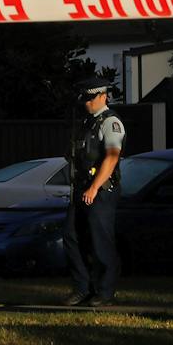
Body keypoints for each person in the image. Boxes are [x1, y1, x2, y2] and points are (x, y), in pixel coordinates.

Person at [63, 77, 124, 306]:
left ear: (103, 96)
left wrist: (94, 187)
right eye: (84, 99)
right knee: (71, 236)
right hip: (82, 189)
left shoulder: (110, 122)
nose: (86, 103)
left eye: (91, 98)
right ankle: (83, 288)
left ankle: (105, 292)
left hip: (101, 191)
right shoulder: (87, 123)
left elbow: (112, 157)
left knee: (101, 241)